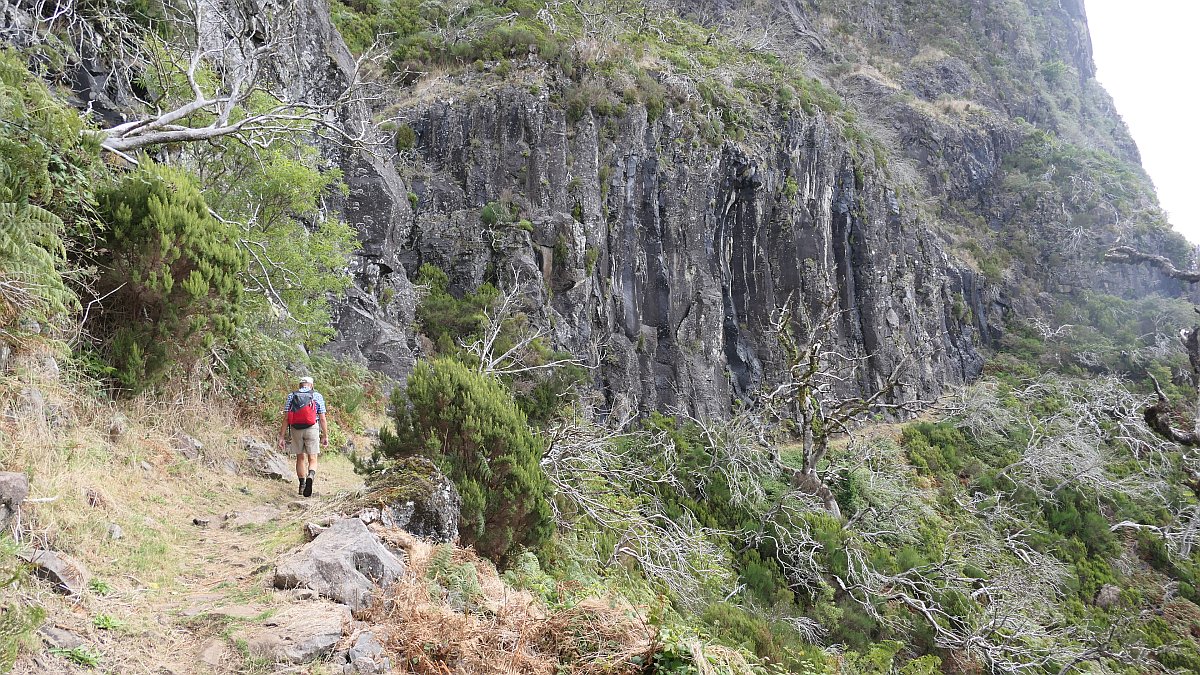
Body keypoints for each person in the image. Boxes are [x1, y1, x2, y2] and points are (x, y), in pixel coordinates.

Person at [278, 375, 329, 497]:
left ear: (300, 385)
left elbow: (286, 418)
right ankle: (310, 475)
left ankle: (302, 485)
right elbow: (322, 418)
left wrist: (281, 436)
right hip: (312, 428)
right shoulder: (317, 396)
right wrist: (325, 435)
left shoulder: (292, 396)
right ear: (311, 385)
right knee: (313, 458)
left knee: (300, 458)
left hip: (296, 429)